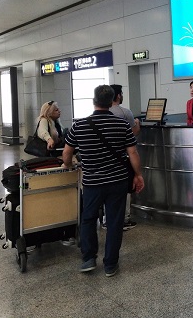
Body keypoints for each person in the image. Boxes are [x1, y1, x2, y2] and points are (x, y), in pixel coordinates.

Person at [61, 85, 144, 277]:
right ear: (112, 101)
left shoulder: (79, 126)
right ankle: (110, 264)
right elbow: (133, 152)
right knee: (115, 222)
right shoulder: (122, 125)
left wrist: (68, 165)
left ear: (93, 101)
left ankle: (89, 258)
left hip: (92, 183)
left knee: (88, 218)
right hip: (118, 181)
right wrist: (138, 175)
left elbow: (67, 153)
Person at [109, 84, 140, 231]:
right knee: (126, 189)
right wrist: (138, 124)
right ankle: (124, 219)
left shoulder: (103, 112)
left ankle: (106, 219)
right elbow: (133, 133)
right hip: (122, 157)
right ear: (118, 96)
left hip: (106, 159)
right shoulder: (125, 113)